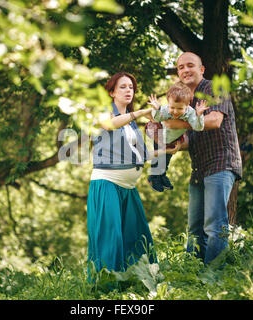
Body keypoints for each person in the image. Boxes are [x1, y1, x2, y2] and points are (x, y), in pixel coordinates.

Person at [87, 72, 179, 281]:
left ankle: (139, 282)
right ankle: (104, 287)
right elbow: (109, 125)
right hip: (107, 184)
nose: (129, 90)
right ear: (111, 92)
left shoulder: (130, 124)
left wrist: (168, 150)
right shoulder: (103, 112)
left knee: (138, 237)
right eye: (123, 87)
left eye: (131, 87)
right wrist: (141, 112)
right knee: (111, 238)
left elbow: (142, 155)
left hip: (129, 188)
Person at [164, 52, 243, 265]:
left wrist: (178, 125)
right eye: (180, 67)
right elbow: (192, 137)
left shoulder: (213, 89)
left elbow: (215, 120)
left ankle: (213, 276)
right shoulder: (185, 100)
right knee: (195, 227)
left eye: (190, 65)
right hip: (199, 167)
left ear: (201, 69)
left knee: (214, 225)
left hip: (221, 162)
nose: (185, 70)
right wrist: (176, 144)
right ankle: (191, 273)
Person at [145, 81, 209, 192]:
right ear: (168, 102)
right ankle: (153, 178)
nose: (175, 111)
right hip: (160, 136)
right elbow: (157, 118)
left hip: (172, 140)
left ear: (188, 105)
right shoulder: (165, 109)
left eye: (180, 109)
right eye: (172, 107)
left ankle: (162, 176)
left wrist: (199, 115)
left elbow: (198, 127)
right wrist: (157, 109)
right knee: (159, 159)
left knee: (166, 160)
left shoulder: (190, 113)